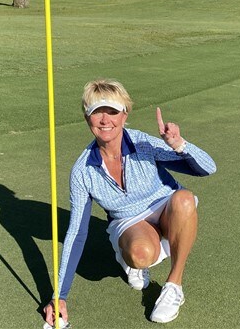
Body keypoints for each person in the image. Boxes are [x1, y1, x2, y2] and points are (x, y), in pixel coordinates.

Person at [44, 79, 216, 326]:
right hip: (128, 221)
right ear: (87, 118)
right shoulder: (82, 171)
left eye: (113, 112)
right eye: (97, 112)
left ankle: (174, 285)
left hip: (166, 207)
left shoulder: (142, 143)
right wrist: (59, 296)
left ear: (125, 115)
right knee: (140, 254)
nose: (105, 120)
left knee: (185, 199)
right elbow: (77, 232)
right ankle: (131, 260)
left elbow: (207, 169)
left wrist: (179, 144)